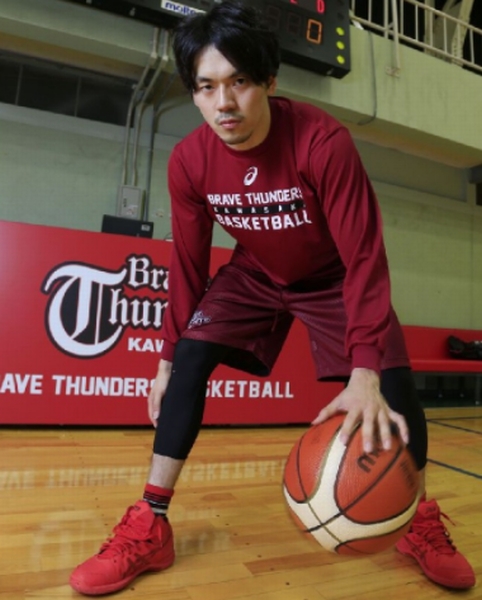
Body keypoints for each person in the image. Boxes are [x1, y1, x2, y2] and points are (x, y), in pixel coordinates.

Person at [69, 1, 475, 594]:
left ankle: (417, 519)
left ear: (269, 82)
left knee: (392, 381)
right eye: (206, 87)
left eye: (239, 82)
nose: (224, 103)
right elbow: (187, 265)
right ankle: (150, 523)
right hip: (255, 273)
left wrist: (364, 370)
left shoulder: (322, 142)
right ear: (194, 93)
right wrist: (165, 358)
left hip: (333, 276)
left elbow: (364, 255)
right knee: (189, 357)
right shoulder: (190, 162)